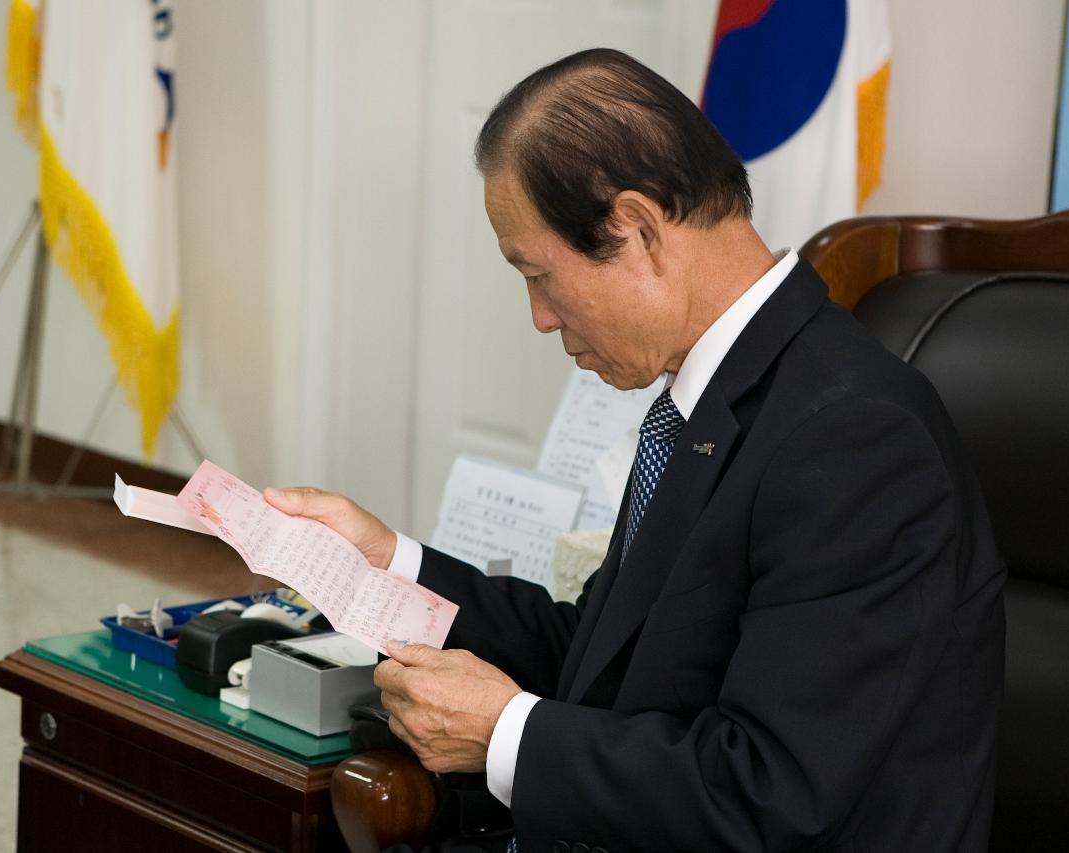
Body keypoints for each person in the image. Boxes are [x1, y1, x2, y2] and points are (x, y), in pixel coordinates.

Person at [265, 48, 1005, 852]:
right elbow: (602, 658)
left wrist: (506, 735)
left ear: (639, 228)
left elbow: (771, 794)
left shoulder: (854, 435)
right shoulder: (718, 396)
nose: (541, 317)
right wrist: (386, 565)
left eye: (539, 274)